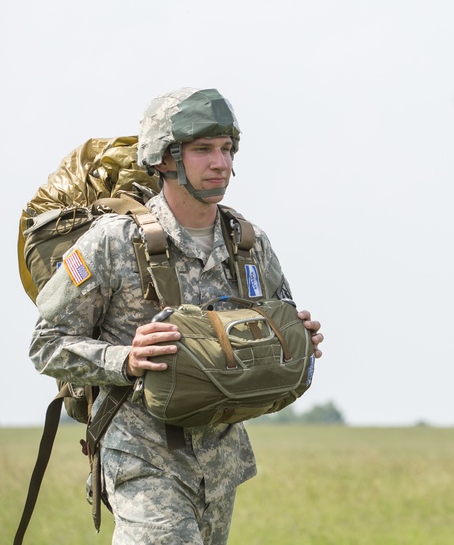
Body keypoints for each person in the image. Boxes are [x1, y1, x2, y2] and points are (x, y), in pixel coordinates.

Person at [29, 87, 324, 545]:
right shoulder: (112, 242)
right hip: (143, 459)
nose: (221, 162)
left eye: (226, 149)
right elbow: (46, 344)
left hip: (220, 465)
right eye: (203, 149)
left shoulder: (249, 243)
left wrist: (295, 342)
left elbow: (273, 322)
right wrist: (124, 360)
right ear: (165, 158)